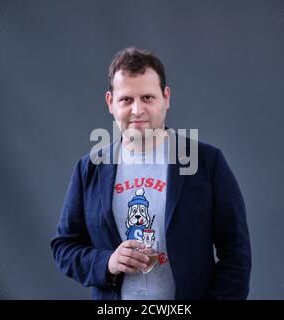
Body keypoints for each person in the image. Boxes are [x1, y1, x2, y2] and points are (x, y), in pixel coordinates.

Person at [50, 47, 251, 300]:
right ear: (110, 103)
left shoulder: (207, 163)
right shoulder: (89, 168)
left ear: (166, 98)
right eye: (126, 100)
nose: (137, 110)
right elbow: (64, 247)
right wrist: (107, 262)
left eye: (147, 98)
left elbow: (236, 251)